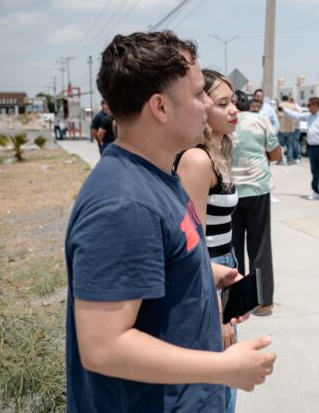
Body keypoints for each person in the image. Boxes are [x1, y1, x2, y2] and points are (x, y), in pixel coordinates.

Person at [64, 31, 276, 412]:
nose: (208, 103)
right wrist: (224, 367)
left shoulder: (159, 174)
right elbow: (103, 347)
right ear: (160, 107)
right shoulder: (123, 205)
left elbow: (161, 257)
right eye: (198, 94)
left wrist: (207, 272)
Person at [175, 69, 241, 412]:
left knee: (226, 381)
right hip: (207, 275)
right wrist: (217, 309)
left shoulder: (220, 150)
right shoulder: (197, 159)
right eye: (223, 103)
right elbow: (193, 241)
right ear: (203, 107)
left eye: (235, 102)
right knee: (216, 386)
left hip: (223, 269)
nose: (234, 110)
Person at [231, 91, 281, 317]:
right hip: (257, 189)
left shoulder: (221, 123)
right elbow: (275, 153)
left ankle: (238, 302)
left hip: (229, 191)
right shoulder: (259, 120)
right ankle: (263, 302)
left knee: (233, 248)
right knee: (260, 246)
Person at [281, 97, 319, 203]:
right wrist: (283, 110)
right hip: (312, 148)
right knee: (314, 172)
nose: (308, 107)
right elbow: (296, 116)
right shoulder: (309, 116)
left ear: (316, 106)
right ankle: (315, 191)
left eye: (309, 105)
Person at [277, 94, 300, 164]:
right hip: (290, 128)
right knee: (289, 145)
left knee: (281, 146)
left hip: (281, 129)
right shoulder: (292, 106)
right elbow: (297, 115)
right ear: (287, 99)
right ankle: (290, 159)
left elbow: (275, 115)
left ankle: (280, 160)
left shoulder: (279, 105)